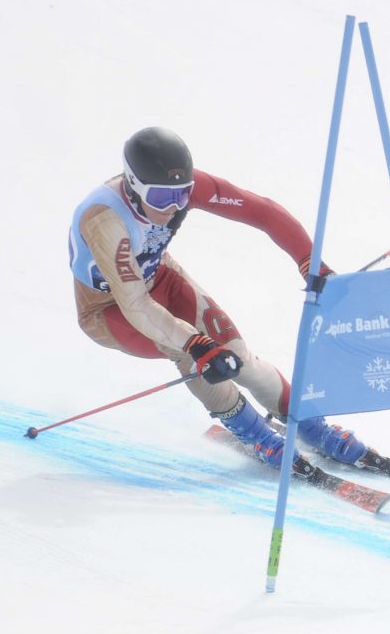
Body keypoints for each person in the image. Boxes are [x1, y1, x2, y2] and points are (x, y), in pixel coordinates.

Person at [68, 126, 368, 471]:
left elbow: (263, 212)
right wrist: (195, 343)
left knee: (237, 355)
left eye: (182, 195)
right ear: (133, 186)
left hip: (158, 276)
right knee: (192, 353)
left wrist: (309, 262)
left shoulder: (177, 190)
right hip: (110, 309)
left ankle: (310, 424)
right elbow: (135, 304)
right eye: (162, 199)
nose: (174, 207)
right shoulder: (105, 219)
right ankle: (254, 433)